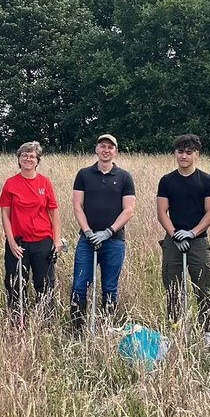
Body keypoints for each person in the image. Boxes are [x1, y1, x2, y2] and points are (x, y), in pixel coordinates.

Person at [156, 134, 210, 347]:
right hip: (173, 241)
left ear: (197, 155)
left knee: (203, 287)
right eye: (180, 152)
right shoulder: (167, 181)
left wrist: (192, 233)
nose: (184, 156)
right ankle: (176, 330)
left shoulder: (207, 180)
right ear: (175, 153)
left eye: (189, 152)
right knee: (173, 289)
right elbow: (162, 212)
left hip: (198, 241)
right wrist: (174, 234)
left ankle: (207, 332)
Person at [70, 133, 136, 333]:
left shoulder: (124, 177)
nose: (106, 150)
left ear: (115, 151)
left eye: (110, 147)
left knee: (109, 287)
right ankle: (78, 331)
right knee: (79, 285)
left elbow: (128, 210)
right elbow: (77, 206)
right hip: (87, 241)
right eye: (102, 146)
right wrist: (88, 232)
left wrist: (108, 232)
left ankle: (107, 329)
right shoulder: (84, 174)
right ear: (96, 149)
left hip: (114, 241)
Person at [0, 141, 65, 324]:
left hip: (43, 241)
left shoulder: (45, 182)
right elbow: (5, 213)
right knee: (15, 284)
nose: (28, 158)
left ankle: (45, 323)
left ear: (37, 160)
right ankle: (18, 323)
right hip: (18, 243)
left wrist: (57, 240)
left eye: (32, 156)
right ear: (19, 159)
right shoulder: (11, 184)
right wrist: (11, 242)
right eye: (24, 155)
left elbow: (54, 211)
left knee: (44, 284)